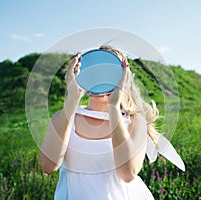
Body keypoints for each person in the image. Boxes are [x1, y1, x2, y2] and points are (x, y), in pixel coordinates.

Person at [39, 45, 178, 199]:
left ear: (123, 78)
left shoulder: (135, 122)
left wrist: (113, 108)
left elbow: (127, 173)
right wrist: (71, 100)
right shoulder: (64, 118)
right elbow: (48, 166)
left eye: (109, 73)